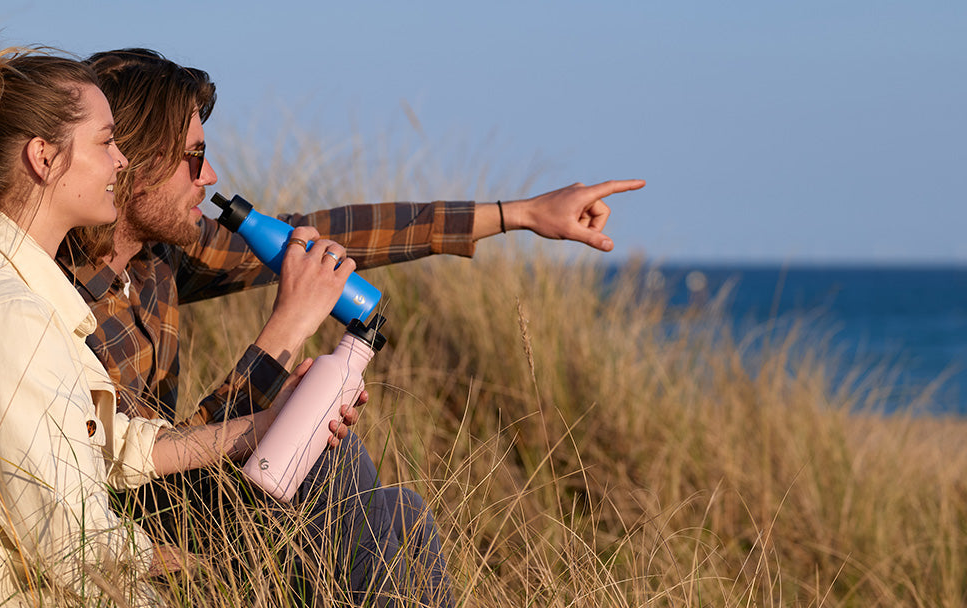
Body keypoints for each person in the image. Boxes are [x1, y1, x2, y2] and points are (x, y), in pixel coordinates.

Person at [56, 48, 644, 606]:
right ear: (125, 158)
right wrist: (288, 328)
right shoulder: (56, 300)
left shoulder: (153, 259)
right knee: (333, 469)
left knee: (399, 516)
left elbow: (330, 235)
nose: (209, 174)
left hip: (183, 505)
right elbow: (135, 480)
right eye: (192, 155)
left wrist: (516, 215)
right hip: (128, 550)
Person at [0, 42, 339, 607]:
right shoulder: (10, 315)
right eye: (105, 142)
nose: (119, 162)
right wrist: (204, 576)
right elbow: (70, 541)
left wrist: (261, 424)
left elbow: (113, 445)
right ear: (44, 158)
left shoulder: (24, 290)